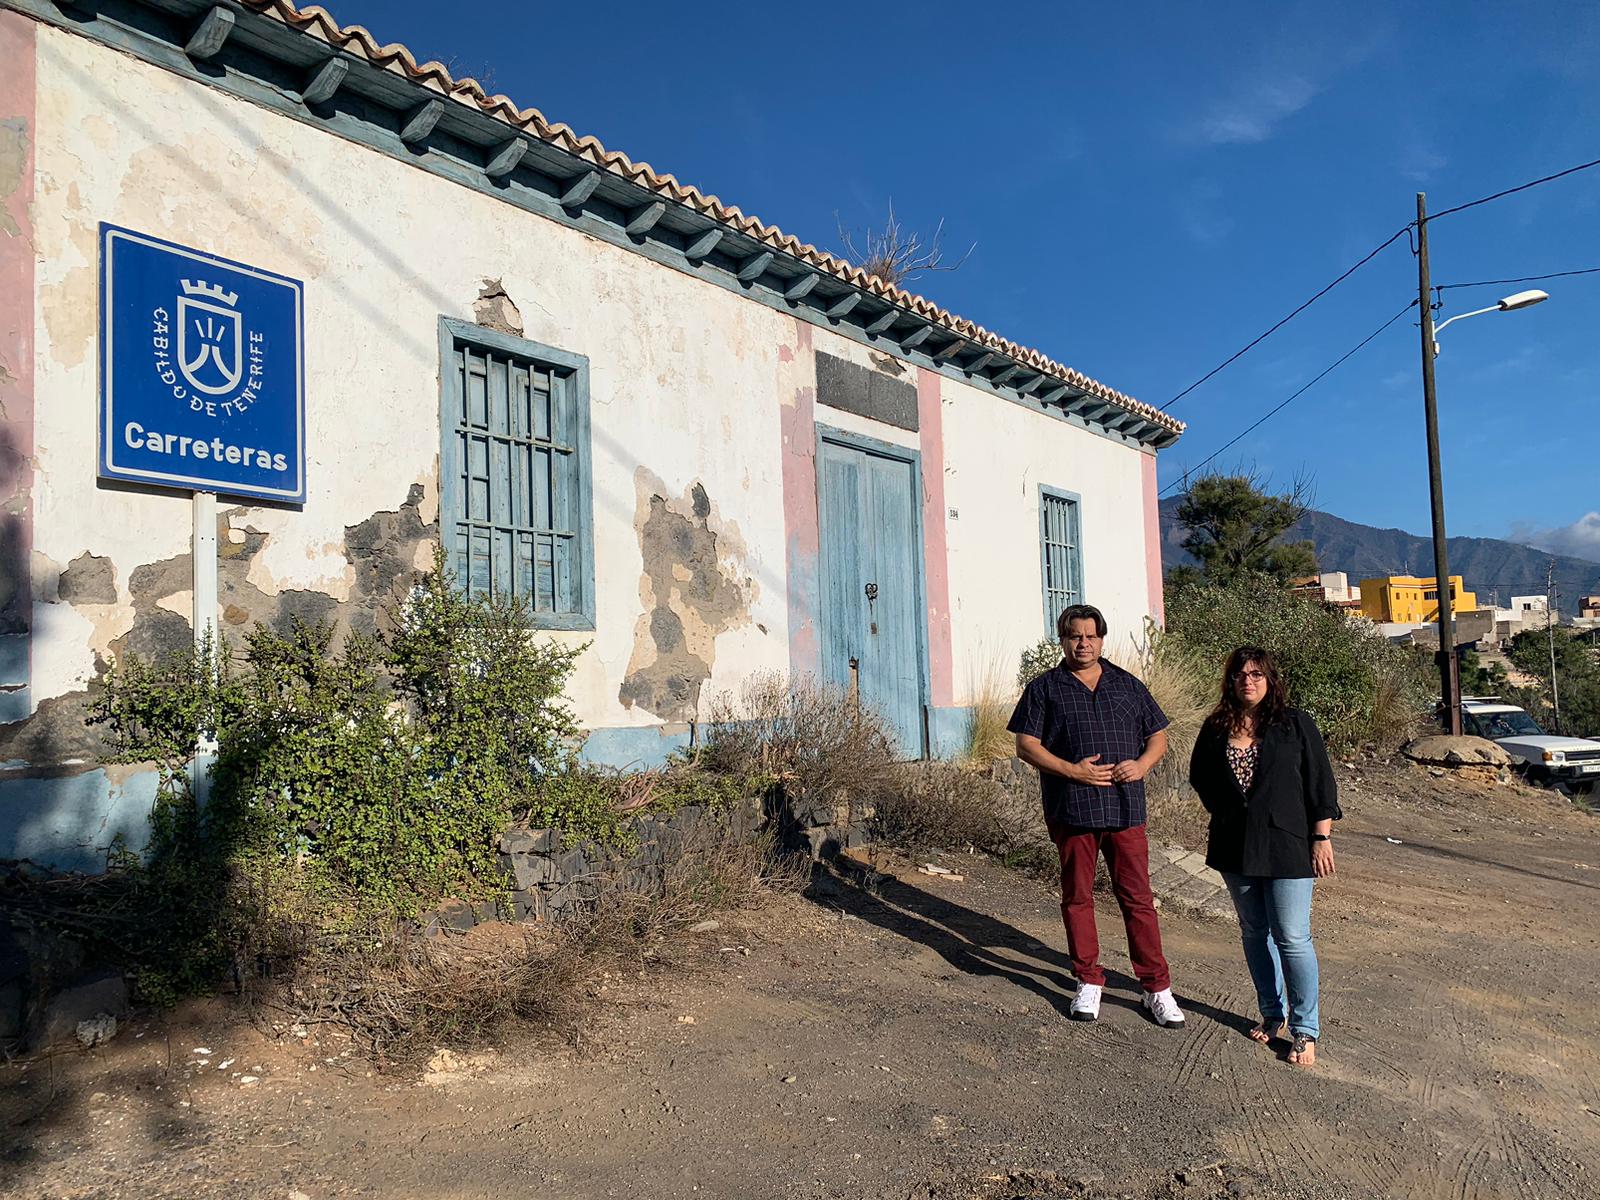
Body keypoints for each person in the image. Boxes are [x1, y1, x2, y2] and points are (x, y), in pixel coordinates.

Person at [1008, 604, 1186, 1029]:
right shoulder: (1045, 688)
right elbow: (1025, 745)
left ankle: (1156, 988)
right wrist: (1074, 771)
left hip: (1125, 809)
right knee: (1077, 897)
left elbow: (1157, 736)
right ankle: (1088, 979)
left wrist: (1142, 765)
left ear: (1102, 639)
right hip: (1072, 809)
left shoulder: (1127, 685)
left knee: (1138, 899)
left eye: (1091, 635)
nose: (1083, 643)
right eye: (1074, 635)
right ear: (1063, 639)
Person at [1188, 646, 1340, 1068]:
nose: (1248, 681)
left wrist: (1321, 836)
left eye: (1256, 674)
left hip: (1289, 845)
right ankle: (1272, 1013)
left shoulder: (1295, 724)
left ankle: (1305, 1029)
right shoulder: (1216, 726)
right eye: (1240, 674)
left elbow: (1320, 783)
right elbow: (1199, 776)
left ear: (1270, 679)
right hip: (1235, 846)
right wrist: (1226, 811)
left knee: (1292, 937)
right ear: (1230, 681)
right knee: (1255, 932)